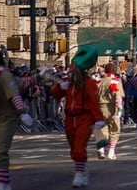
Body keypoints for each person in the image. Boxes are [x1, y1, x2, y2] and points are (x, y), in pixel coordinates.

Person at [51, 46, 105, 188]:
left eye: (74, 67)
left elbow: (93, 102)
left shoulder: (89, 83)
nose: (71, 69)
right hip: (69, 118)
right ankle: (82, 169)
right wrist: (59, 87)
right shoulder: (69, 83)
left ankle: (79, 175)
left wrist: (98, 118)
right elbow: (55, 95)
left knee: (79, 147)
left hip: (84, 118)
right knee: (73, 148)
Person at [0, 50, 35, 190]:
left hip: (5, 118)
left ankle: (3, 182)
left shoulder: (2, 74)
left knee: (0, 150)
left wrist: (22, 112)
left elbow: (13, 94)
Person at [96, 61, 125, 159]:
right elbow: (118, 96)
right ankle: (111, 152)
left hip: (100, 106)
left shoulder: (99, 81)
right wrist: (119, 109)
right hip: (111, 106)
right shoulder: (115, 81)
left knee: (102, 128)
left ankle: (101, 150)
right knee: (114, 129)